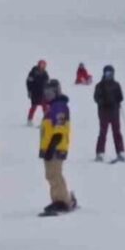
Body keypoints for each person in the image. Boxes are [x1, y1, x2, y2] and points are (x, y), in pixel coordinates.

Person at [40, 80, 76, 215]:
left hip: (55, 147)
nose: (47, 96)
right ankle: (59, 199)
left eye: (50, 93)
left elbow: (59, 130)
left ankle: (62, 201)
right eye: (46, 93)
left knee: (55, 174)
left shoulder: (59, 106)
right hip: (50, 147)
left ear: (56, 92)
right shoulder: (52, 106)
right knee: (51, 174)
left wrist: (51, 146)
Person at [93, 65, 125, 162]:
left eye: (110, 73)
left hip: (114, 111)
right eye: (107, 73)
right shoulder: (100, 85)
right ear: (104, 73)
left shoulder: (116, 85)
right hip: (104, 111)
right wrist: (102, 101)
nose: (108, 75)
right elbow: (96, 97)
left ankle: (120, 152)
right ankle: (100, 152)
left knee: (117, 132)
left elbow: (121, 97)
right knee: (103, 132)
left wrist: (117, 100)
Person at [26, 59, 49, 124]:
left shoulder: (45, 73)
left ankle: (46, 120)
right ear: (38, 65)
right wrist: (29, 91)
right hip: (34, 92)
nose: (42, 66)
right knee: (34, 106)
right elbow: (28, 82)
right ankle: (29, 120)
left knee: (45, 106)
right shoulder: (33, 72)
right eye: (41, 64)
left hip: (43, 93)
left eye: (43, 65)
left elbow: (47, 82)